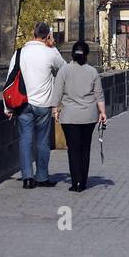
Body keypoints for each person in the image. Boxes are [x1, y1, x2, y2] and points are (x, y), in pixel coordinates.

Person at [6, 22, 66, 188]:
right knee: (42, 141)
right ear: (48, 36)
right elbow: (64, 69)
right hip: (43, 104)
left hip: (23, 104)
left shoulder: (20, 53)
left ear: (33, 34)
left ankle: (27, 178)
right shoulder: (50, 53)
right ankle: (42, 177)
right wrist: (53, 47)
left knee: (25, 140)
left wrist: (8, 107)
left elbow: (9, 79)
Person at [52, 40, 107, 192]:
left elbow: (57, 92)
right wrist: (102, 113)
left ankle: (75, 182)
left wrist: (55, 110)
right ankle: (83, 181)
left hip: (69, 116)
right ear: (87, 55)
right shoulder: (92, 72)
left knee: (73, 149)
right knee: (85, 148)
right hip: (89, 116)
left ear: (72, 54)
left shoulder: (64, 70)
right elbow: (99, 95)